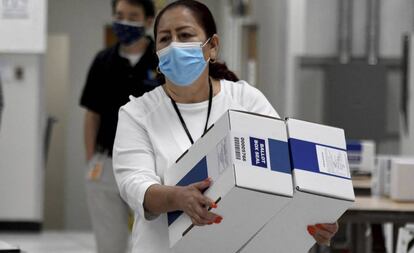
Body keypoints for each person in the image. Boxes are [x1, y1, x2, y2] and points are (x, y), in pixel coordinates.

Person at [112, 1, 339, 252]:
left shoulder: (245, 100)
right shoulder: (137, 114)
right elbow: (135, 184)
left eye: (185, 35)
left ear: (212, 47)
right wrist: (177, 197)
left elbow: (284, 168)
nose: (175, 45)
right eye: (165, 39)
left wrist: (312, 214)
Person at [79, 0, 159, 252]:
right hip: (106, 164)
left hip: (153, 164)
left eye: (132, 16)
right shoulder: (103, 61)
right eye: (119, 15)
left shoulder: (161, 60)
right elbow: (92, 115)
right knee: (109, 242)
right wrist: (92, 159)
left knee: (152, 240)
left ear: (148, 21)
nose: (124, 21)